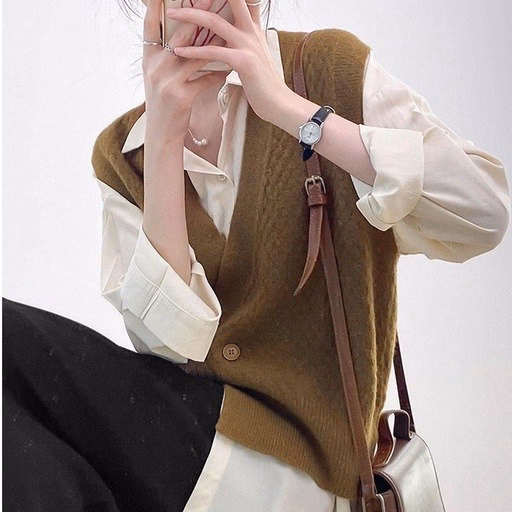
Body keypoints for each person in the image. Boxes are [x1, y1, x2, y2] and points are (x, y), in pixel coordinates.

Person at [3, 0, 510, 511]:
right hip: (197, 467)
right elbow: (171, 350)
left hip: (309, 476)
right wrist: (164, 136)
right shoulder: (123, 153)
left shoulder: (328, 72)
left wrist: (289, 110)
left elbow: (484, 211)